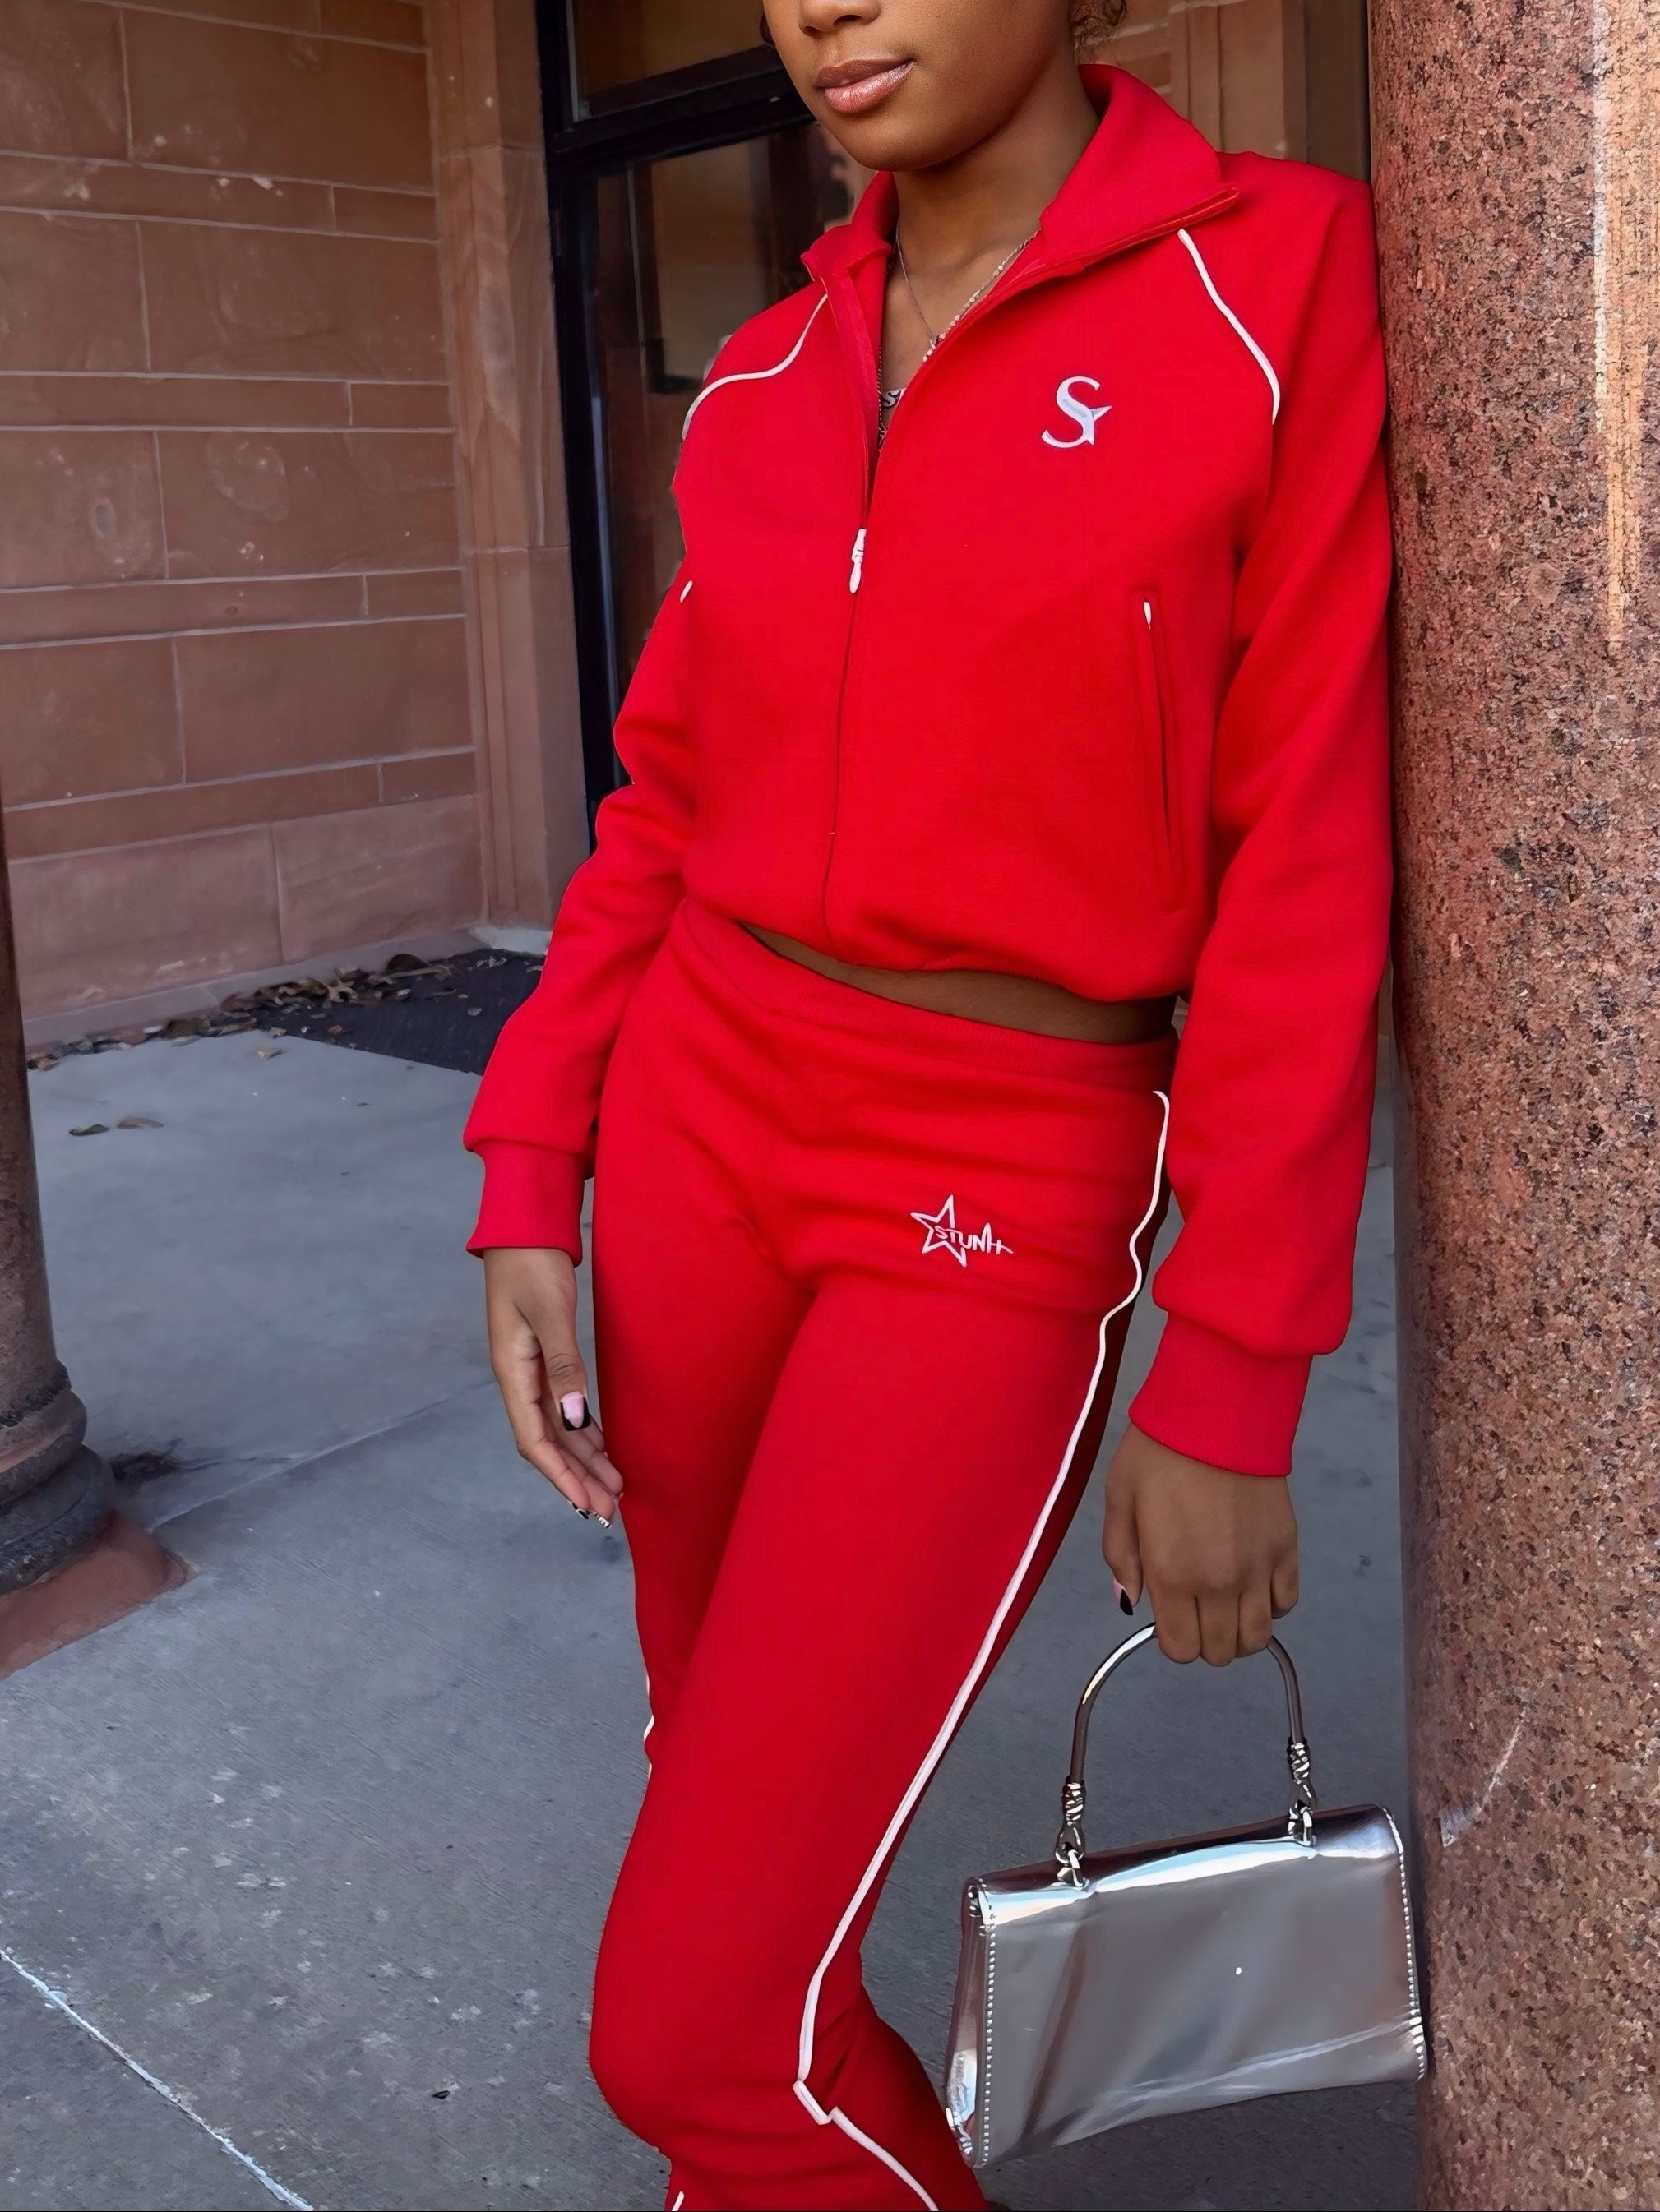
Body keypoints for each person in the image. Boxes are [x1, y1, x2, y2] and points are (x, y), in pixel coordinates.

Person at [465, 0, 1390, 2203]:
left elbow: (1306, 848)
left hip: (993, 1176)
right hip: (695, 1133)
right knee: (737, 1893)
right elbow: (664, 804)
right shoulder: (765, 372)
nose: (825, 7)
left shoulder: (1276, 276)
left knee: (686, 2030)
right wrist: (532, 1159)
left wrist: (1233, 1363)